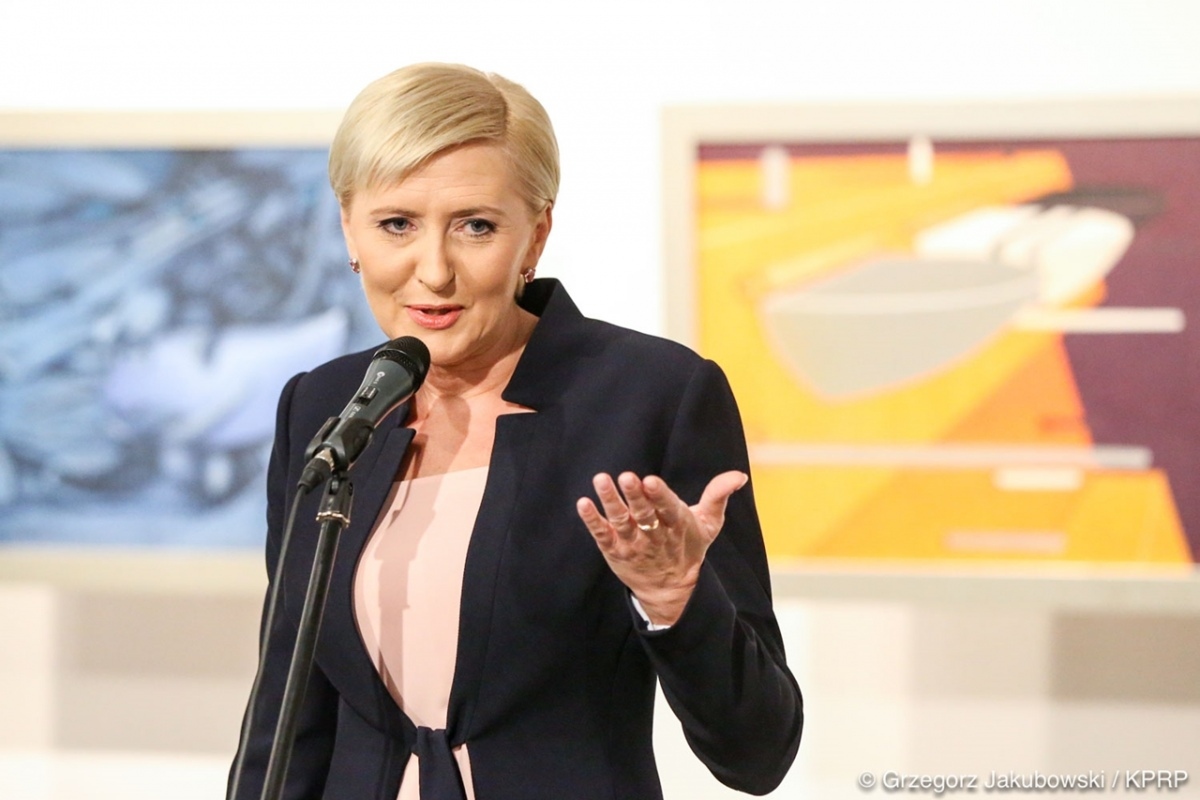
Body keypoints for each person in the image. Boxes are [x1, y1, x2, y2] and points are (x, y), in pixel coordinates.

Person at [229, 62, 802, 800]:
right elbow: (288, 713)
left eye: (476, 226)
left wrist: (675, 602)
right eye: (397, 224)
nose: (433, 271)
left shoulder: (651, 397)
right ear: (349, 226)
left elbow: (759, 753)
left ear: (536, 234)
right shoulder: (322, 404)